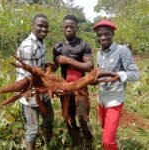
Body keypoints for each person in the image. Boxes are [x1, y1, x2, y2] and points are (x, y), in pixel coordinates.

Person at [93, 19, 140, 150]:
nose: (103, 37)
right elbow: (100, 74)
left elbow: (135, 74)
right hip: (101, 99)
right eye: (100, 35)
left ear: (112, 34)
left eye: (106, 34)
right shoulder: (98, 53)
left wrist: (118, 75)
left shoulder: (122, 50)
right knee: (105, 128)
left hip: (115, 100)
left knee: (107, 142)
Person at [53, 15, 94, 148]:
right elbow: (55, 66)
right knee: (68, 115)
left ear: (77, 28)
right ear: (63, 28)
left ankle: (89, 139)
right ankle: (76, 141)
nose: (69, 29)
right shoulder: (58, 46)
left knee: (82, 116)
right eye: (66, 26)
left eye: (72, 26)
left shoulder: (83, 44)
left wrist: (69, 61)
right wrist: (51, 67)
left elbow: (89, 67)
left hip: (80, 86)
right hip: (65, 87)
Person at [16, 14, 54, 150]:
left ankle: (47, 145)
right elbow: (31, 76)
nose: (44, 29)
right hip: (31, 94)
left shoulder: (40, 42)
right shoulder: (28, 46)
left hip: (42, 91)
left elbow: (38, 68)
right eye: (40, 26)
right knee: (33, 129)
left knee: (49, 120)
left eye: (46, 26)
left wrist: (47, 67)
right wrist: (50, 77)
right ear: (32, 26)